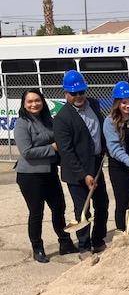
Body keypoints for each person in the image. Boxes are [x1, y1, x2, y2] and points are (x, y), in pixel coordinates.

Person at [15, 88, 77, 262]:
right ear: (24, 104)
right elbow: (27, 152)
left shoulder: (48, 120)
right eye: (30, 101)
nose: (34, 104)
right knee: (37, 212)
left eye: (37, 100)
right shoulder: (22, 123)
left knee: (59, 208)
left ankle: (65, 243)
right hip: (30, 176)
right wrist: (53, 148)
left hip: (50, 172)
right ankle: (38, 248)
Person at [53, 70, 109, 257]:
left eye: (81, 92)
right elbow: (66, 152)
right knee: (82, 209)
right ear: (66, 93)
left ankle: (98, 240)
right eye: (74, 93)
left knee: (102, 204)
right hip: (76, 171)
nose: (79, 96)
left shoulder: (93, 104)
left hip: (96, 163)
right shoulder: (61, 119)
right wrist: (84, 174)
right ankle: (84, 247)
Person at [103, 81, 129, 237]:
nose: (127, 105)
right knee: (122, 203)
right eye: (123, 102)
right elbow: (114, 149)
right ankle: (122, 235)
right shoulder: (110, 122)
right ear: (117, 103)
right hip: (120, 168)